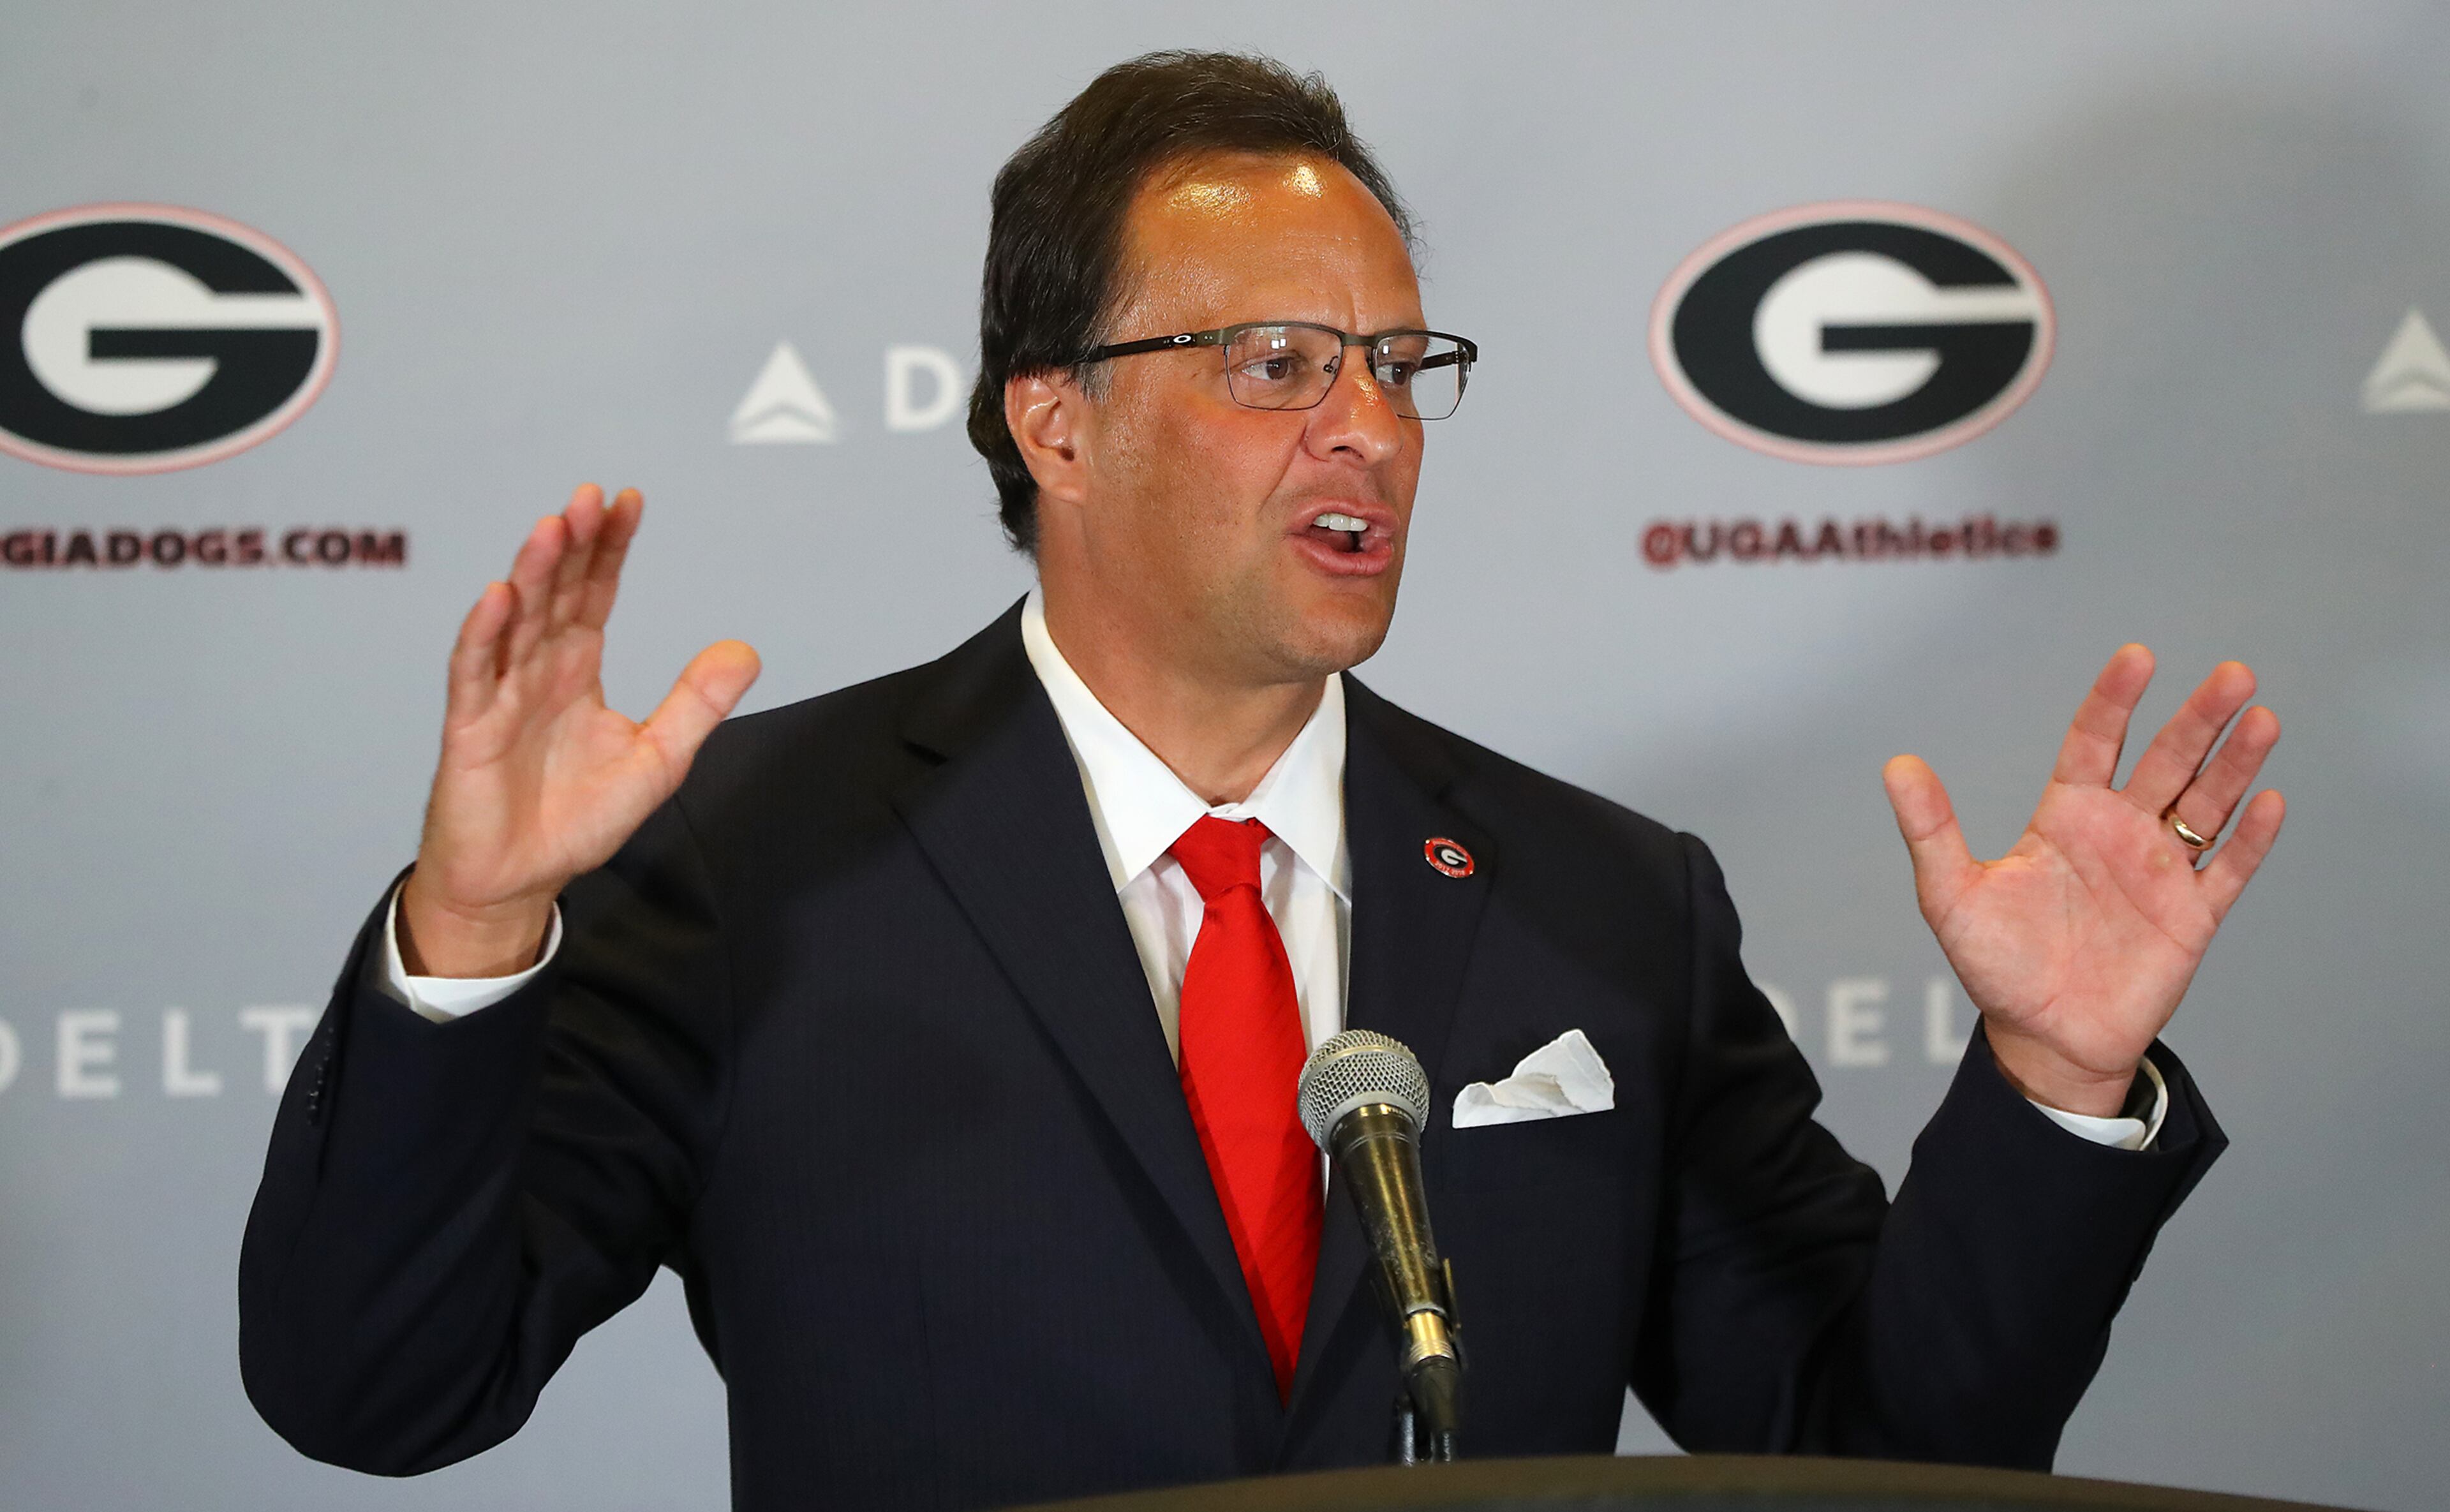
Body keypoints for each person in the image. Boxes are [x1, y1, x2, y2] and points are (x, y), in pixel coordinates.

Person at [239, 50, 2285, 1512]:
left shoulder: (1602, 898)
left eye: (1401, 365)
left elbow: (1880, 1460)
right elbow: (380, 1392)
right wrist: (476, 933)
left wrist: (2052, 1089)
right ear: (1054, 422)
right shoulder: (752, 862)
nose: (1369, 432)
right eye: (1279, 365)